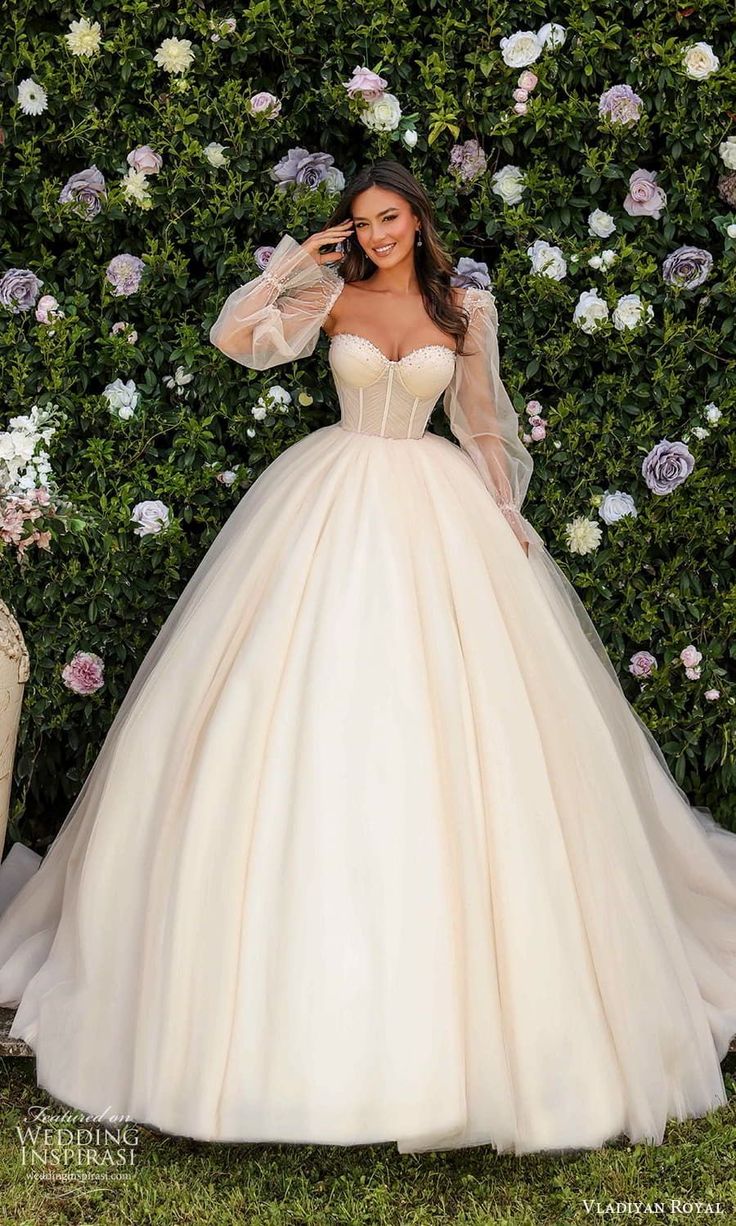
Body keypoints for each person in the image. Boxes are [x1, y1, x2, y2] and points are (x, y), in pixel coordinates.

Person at [0, 159, 734, 1157]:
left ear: (418, 221)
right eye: (360, 221)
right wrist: (291, 264)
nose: (377, 233)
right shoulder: (330, 291)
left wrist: (505, 516)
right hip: (327, 499)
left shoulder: (464, 307)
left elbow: (481, 422)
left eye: (389, 218)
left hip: (439, 517)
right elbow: (235, 338)